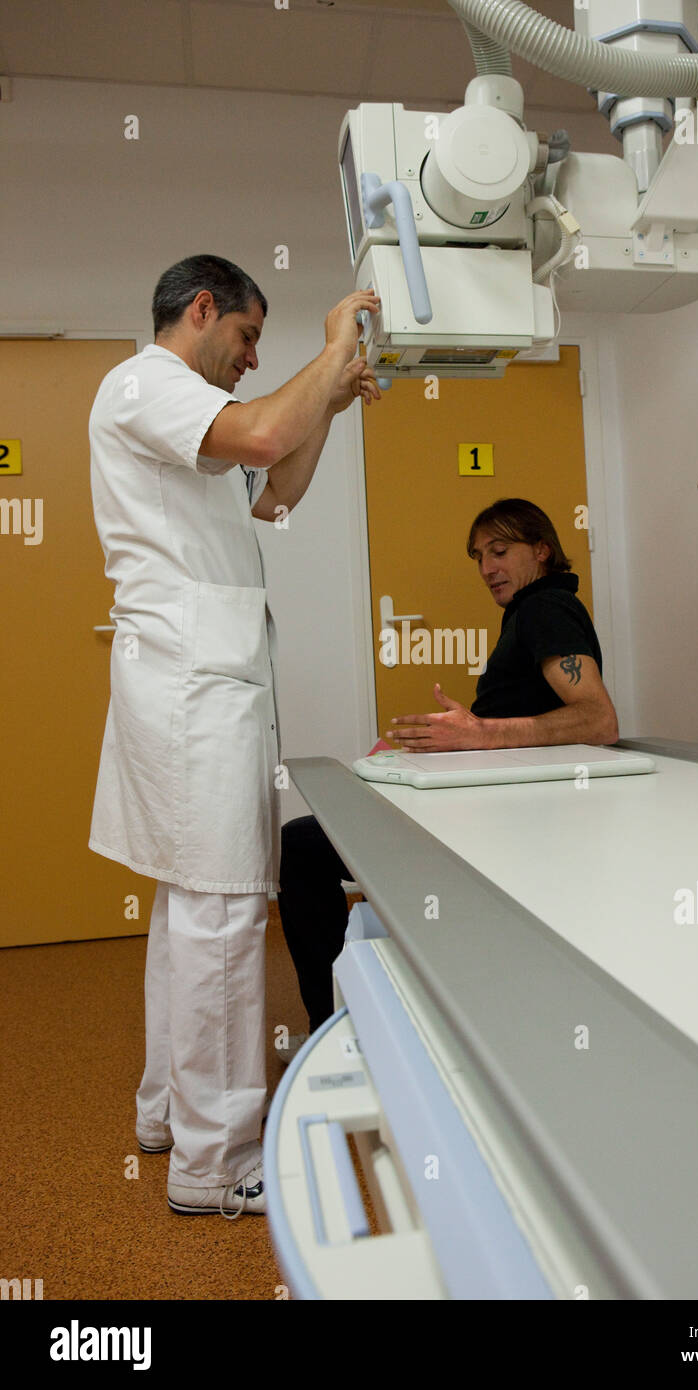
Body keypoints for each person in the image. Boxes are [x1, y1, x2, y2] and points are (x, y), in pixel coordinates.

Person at [88, 253, 380, 1217]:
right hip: (188, 688)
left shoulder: (191, 425)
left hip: (201, 683)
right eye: (249, 336)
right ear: (201, 308)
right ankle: (217, 1167)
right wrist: (332, 348)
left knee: (189, 911)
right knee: (219, 916)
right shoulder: (147, 384)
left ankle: (168, 1115)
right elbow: (261, 435)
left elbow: (276, 492)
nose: (253, 358)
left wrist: (330, 397)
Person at [278, 498, 618, 1043]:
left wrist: (478, 734)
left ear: (542, 550)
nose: (487, 568)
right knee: (320, 834)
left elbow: (598, 720)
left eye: (500, 551)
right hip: (489, 803)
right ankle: (354, 1012)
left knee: (302, 846)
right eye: (479, 556)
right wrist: (452, 738)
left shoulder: (546, 609)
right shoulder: (530, 612)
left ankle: (330, 1031)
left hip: (501, 822)